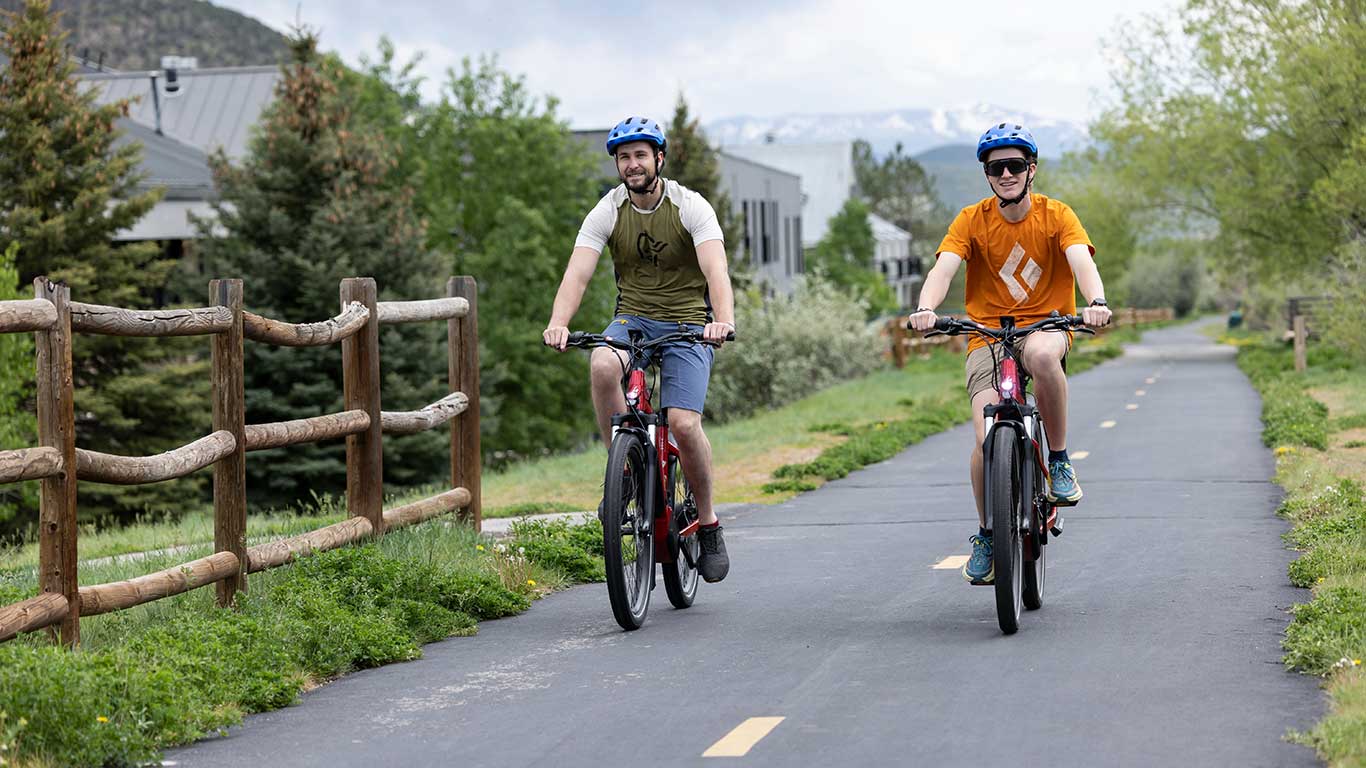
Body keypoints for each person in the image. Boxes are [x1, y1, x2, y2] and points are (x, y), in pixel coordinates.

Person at [909, 123, 1112, 584]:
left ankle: (1058, 460)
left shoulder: (1057, 215)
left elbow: (1082, 260)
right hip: (986, 333)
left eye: (1014, 165)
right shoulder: (971, 219)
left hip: (1047, 324)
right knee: (985, 436)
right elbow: (945, 268)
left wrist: (1096, 303)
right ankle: (986, 532)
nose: (1005, 174)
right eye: (996, 167)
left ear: (1031, 170)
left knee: (1042, 357)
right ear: (987, 174)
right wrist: (925, 308)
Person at [543, 116, 737, 583]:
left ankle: (707, 523)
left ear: (659, 159)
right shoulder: (607, 210)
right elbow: (578, 275)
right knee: (602, 363)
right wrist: (558, 323)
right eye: (624, 157)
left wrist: (722, 321)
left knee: (684, 424)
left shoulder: (690, 206)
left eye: (640, 155)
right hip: (632, 320)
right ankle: (624, 471)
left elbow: (716, 272)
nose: (632, 164)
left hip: (689, 322)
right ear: (617, 164)